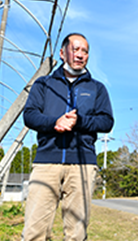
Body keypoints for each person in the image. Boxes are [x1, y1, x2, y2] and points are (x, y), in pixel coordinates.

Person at [22, 33, 114, 241]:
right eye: (76, 49)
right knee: (34, 230)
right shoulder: (43, 85)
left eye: (85, 51)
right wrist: (55, 122)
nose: (81, 55)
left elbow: (106, 122)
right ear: (63, 53)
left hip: (82, 165)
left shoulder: (97, 88)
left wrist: (79, 121)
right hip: (46, 163)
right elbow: (30, 115)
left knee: (76, 232)